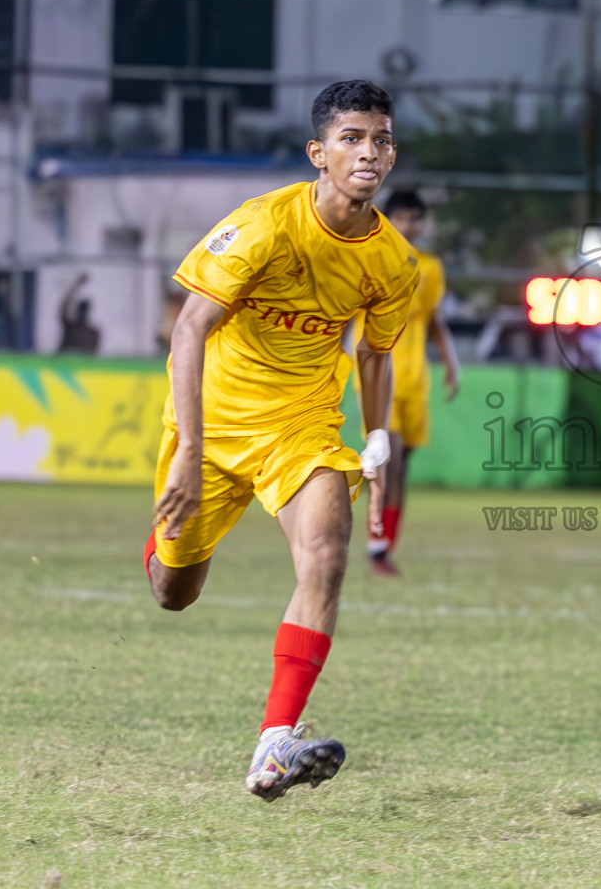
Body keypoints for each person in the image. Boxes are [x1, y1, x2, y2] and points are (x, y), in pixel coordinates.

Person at [145, 80, 419, 801]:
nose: (369, 151)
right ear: (318, 154)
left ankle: (274, 747)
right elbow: (189, 329)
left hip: (300, 428)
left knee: (327, 557)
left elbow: (373, 353)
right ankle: (166, 546)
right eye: (352, 138)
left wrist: (379, 442)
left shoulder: (393, 263)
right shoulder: (264, 224)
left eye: (381, 139)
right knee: (174, 591)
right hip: (216, 422)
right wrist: (191, 451)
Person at [365, 188, 461, 577]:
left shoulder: (430, 267)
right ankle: (375, 547)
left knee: (403, 464)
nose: (409, 225)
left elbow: (435, 320)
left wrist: (452, 364)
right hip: (377, 374)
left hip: (415, 377)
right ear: (386, 219)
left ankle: (385, 546)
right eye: (402, 217)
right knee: (388, 456)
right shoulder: (368, 258)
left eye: (415, 218)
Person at [58, 273, 101, 355]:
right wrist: (77, 285)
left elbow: (93, 354)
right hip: (64, 364)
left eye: (83, 310)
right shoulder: (70, 327)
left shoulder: (93, 333)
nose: (81, 313)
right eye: (80, 310)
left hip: (82, 366)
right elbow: (64, 307)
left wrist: (77, 284)